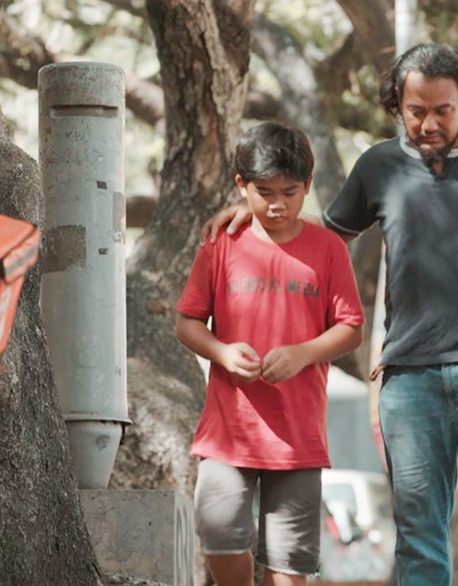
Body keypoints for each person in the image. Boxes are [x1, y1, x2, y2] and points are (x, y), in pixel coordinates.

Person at [204, 44, 458, 585]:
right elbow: (321, 237)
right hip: (409, 374)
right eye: (416, 111)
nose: (429, 123)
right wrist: (261, 206)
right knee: (418, 525)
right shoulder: (379, 165)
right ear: (397, 106)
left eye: (442, 111)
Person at [175, 122, 365, 586]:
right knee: (218, 534)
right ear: (241, 186)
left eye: (290, 191)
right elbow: (187, 323)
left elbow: (351, 328)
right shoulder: (221, 244)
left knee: (290, 566)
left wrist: (303, 353)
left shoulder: (327, 249)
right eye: (263, 191)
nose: (277, 204)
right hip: (227, 432)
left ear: (309, 186)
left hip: (297, 438)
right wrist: (220, 351)